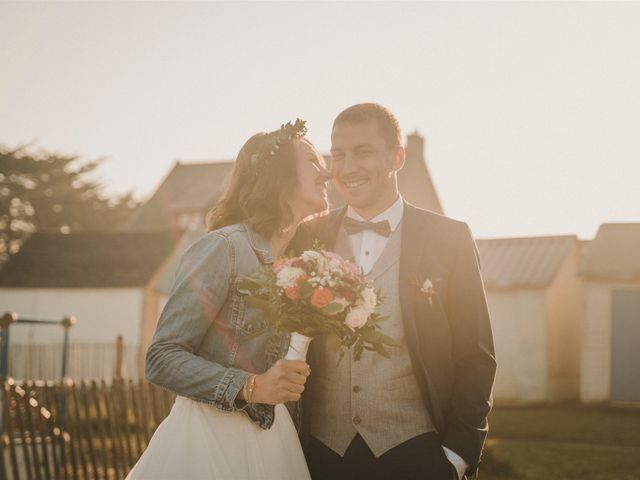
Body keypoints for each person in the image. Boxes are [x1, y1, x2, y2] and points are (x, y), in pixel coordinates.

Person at [294, 104, 496, 480]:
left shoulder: (450, 239)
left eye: (363, 152)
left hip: (418, 454)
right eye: (338, 154)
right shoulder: (308, 236)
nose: (348, 167)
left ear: (397, 156)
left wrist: (456, 458)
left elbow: (477, 356)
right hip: (321, 456)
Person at [126, 119, 331, 480]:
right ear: (280, 176)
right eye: (313, 161)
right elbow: (161, 357)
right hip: (210, 441)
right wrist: (250, 385)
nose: (325, 172)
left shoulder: (308, 262)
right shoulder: (223, 248)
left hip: (275, 437)